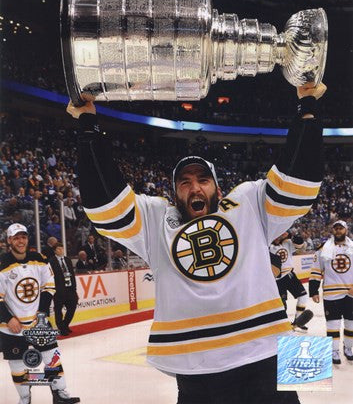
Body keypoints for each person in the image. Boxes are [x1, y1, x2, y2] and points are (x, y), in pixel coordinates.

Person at [68, 83, 326, 404]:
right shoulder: (156, 219)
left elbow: (300, 180)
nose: (195, 188)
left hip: (269, 349)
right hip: (195, 365)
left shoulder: (248, 201)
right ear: (174, 193)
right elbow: (105, 206)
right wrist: (88, 125)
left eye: (203, 180)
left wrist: (308, 109)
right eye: (185, 182)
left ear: (217, 188)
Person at [0, 223, 80, 404]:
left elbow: (49, 286)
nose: (21, 241)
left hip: (39, 322)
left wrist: (42, 312)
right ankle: (25, 398)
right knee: (18, 366)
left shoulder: (39, 259)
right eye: (16, 238)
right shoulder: (2, 264)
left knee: (52, 358)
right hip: (12, 327)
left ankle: (59, 394)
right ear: (9, 240)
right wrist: (8, 318)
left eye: (23, 237)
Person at [309, 220, 353, 364]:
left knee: (350, 324)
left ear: (346, 230)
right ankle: (334, 350)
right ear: (333, 231)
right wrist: (313, 290)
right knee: (333, 324)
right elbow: (316, 270)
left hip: (350, 292)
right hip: (331, 293)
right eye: (336, 228)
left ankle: (348, 348)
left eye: (341, 228)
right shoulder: (323, 249)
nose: (338, 231)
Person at [270, 231, 309, 331]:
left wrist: (291, 235)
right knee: (281, 305)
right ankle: (281, 326)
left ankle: (298, 321)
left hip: (289, 275)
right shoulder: (266, 245)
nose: (278, 237)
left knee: (303, 296)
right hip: (274, 279)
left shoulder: (287, 242)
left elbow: (301, 245)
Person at [50, 242, 78, 336]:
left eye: (62, 248)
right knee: (58, 310)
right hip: (59, 290)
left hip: (70, 288)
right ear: (55, 251)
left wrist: (74, 288)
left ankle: (65, 325)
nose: (61, 250)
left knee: (72, 306)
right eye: (58, 249)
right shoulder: (51, 262)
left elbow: (72, 275)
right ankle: (61, 328)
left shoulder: (67, 260)